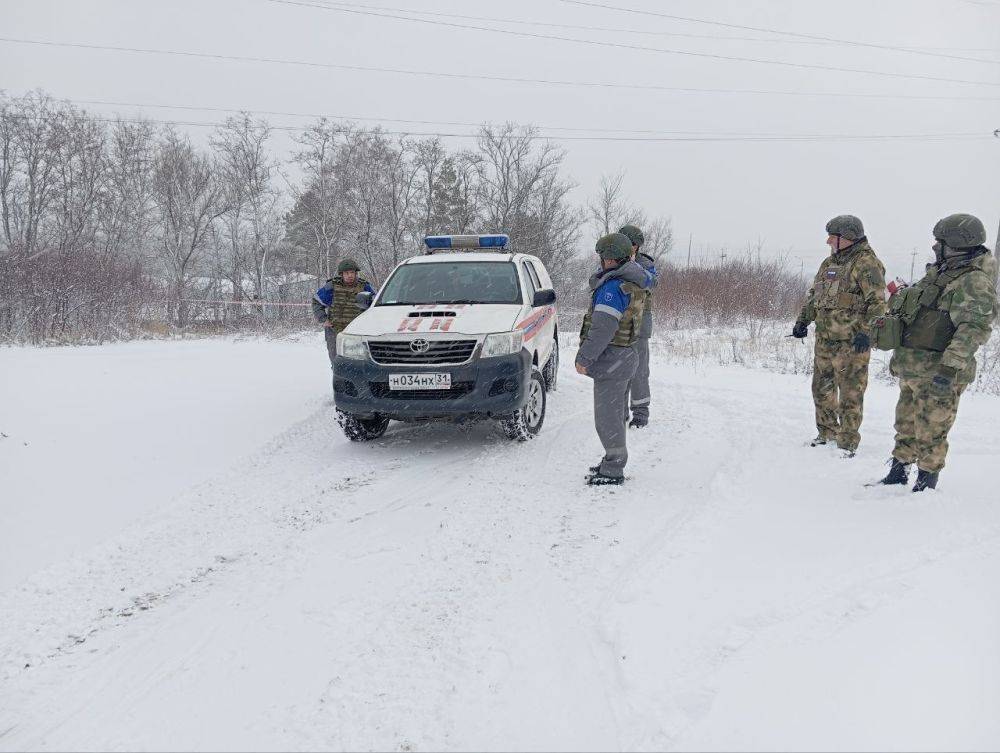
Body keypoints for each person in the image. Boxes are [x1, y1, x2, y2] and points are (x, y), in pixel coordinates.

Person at [877, 213, 997, 491]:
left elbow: (974, 328)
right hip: (915, 367)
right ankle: (898, 473)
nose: (934, 246)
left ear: (956, 244)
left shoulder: (974, 281)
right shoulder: (940, 273)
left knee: (932, 429)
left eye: (939, 241)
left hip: (940, 371)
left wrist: (949, 368)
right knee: (905, 422)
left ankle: (926, 483)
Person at [792, 215, 886, 457]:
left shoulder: (866, 263)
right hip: (825, 341)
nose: (828, 241)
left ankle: (847, 442)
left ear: (848, 237)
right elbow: (815, 296)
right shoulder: (829, 264)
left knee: (851, 394)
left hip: (852, 343)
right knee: (821, 389)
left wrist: (867, 332)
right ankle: (826, 433)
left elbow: (877, 303)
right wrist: (803, 320)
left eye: (833, 237)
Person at [576, 233, 648, 486]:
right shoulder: (632, 280)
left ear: (607, 258)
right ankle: (612, 460)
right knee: (616, 414)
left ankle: (613, 468)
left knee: (607, 417)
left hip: (612, 359)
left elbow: (603, 329)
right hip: (626, 356)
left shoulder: (612, 288)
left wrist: (584, 357)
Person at [619, 224, 659, 428]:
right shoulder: (611, 262)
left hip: (640, 324)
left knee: (640, 370)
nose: (631, 247)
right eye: (628, 243)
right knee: (618, 369)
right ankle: (620, 411)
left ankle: (641, 413)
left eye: (634, 244)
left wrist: (630, 268)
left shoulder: (645, 263)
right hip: (618, 323)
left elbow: (650, 282)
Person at [312, 258, 374, 378]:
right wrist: (323, 319)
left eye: (352, 273)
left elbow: (376, 304)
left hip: (358, 332)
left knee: (361, 362)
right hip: (335, 331)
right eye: (346, 273)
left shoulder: (365, 287)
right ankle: (341, 387)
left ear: (356, 273)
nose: (350, 276)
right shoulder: (332, 286)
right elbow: (316, 301)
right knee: (337, 362)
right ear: (341, 274)